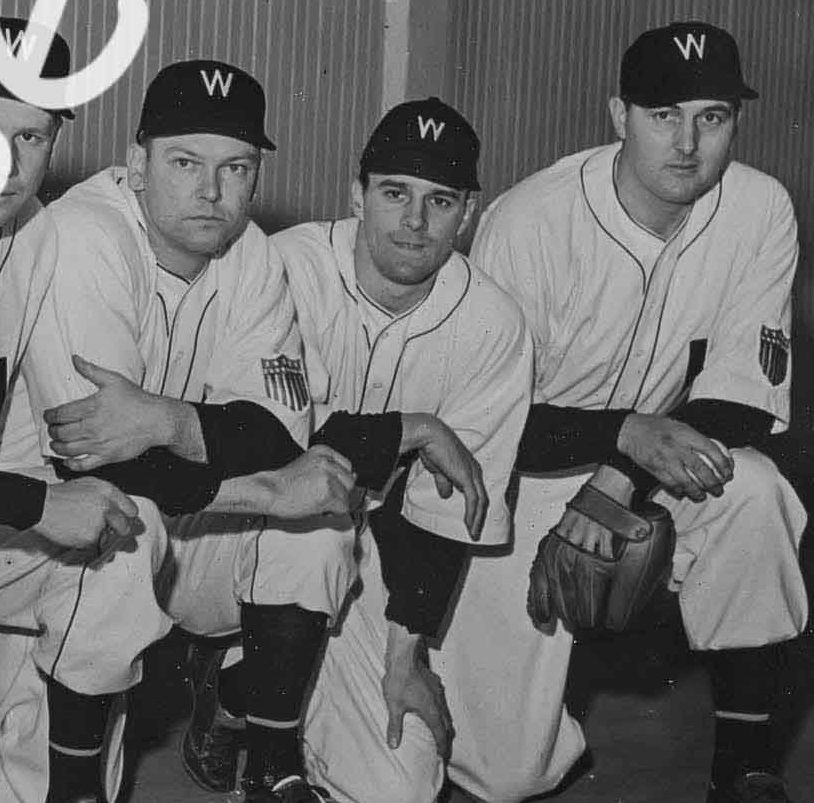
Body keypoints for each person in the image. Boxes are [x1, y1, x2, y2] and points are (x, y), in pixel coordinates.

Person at [22, 66, 485, 803]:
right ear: (138, 163)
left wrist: (167, 419)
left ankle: (272, 764)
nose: (212, 191)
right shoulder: (85, 235)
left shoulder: (252, 254)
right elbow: (94, 461)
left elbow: (277, 434)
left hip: (171, 524)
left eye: (235, 168)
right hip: (37, 537)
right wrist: (264, 484)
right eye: (186, 162)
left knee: (319, 520)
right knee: (122, 518)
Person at [470, 21, 807, 803]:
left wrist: (620, 475)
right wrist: (620, 444)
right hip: (523, 475)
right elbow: (485, 420)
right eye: (664, 115)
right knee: (507, 773)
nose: (688, 143)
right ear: (619, 114)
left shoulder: (759, 208)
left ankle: (745, 765)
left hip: (647, 463)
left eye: (712, 116)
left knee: (753, 491)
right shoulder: (530, 222)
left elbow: (745, 399)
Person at [266, 97, 532, 802]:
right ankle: (233, 685)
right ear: (357, 196)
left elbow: (446, 510)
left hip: (352, 545)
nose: (415, 221)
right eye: (394, 193)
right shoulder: (282, 268)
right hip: (227, 526)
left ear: (468, 213)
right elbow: (257, 446)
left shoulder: (492, 323)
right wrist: (412, 428)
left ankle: (251, 689)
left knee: (400, 785)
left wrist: (404, 654)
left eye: (439, 200)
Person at [0, 17, 170, 803]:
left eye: (29, 136)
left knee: (126, 524)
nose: (7, 164)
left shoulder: (34, 233)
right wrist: (39, 504)